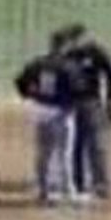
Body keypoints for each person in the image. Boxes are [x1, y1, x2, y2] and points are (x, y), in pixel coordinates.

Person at [50, 24, 111, 200]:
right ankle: (78, 182)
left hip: (92, 102)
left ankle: (101, 184)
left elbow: (110, 75)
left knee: (96, 144)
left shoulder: (95, 52)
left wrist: (110, 100)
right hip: (71, 103)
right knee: (75, 144)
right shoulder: (66, 55)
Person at [14, 50, 82, 205]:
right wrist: (72, 106)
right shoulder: (67, 66)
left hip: (41, 111)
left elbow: (19, 82)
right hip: (61, 112)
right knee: (64, 153)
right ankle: (69, 192)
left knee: (43, 153)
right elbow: (78, 90)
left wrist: (31, 96)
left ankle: (44, 192)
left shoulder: (37, 63)